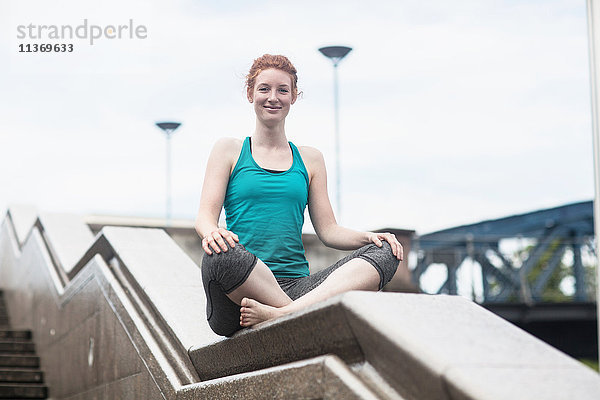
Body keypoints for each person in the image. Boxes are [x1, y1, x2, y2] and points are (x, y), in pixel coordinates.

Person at [195, 54, 403, 337]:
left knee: (386, 251)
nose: (273, 97)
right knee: (218, 256)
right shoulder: (228, 150)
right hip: (240, 295)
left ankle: (284, 315)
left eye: (283, 90)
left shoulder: (310, 159)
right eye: (264, 89)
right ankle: (303, 314)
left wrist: (370, 237)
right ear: (250, 94)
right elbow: (205, 218)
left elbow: (328, 231)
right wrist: (212, 233)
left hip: (296, 287)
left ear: (294, 96)